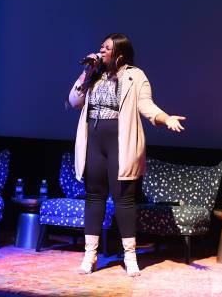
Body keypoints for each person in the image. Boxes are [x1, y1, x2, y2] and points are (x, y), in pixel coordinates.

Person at [68, 33, 186, 276]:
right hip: (94, 141)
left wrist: (166, 118)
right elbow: (74, 101)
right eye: (101, 46)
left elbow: (147, 105)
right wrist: (86, 73)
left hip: (121, 143)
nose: (100, 51)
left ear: (119, 54)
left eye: (106, 48)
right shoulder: (95, 74)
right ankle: (90, 255)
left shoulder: (135, 75)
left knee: (123, 198)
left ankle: (130, 255)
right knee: (94, 197)